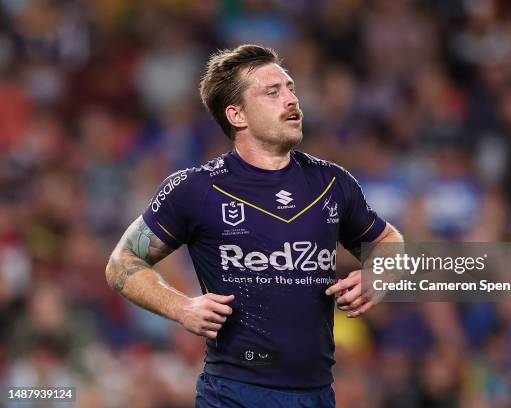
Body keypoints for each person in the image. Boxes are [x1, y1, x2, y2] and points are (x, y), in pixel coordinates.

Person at [105, 44, 403, 408]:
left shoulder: (333, 183)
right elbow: (121, 262)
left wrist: (378, 274)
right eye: (273, 92)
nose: (292, 99)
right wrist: (181, 308)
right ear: (237, 115)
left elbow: (388, 240)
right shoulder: (196, 188)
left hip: (317, 394)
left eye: (291, 88)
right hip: (234, 393)